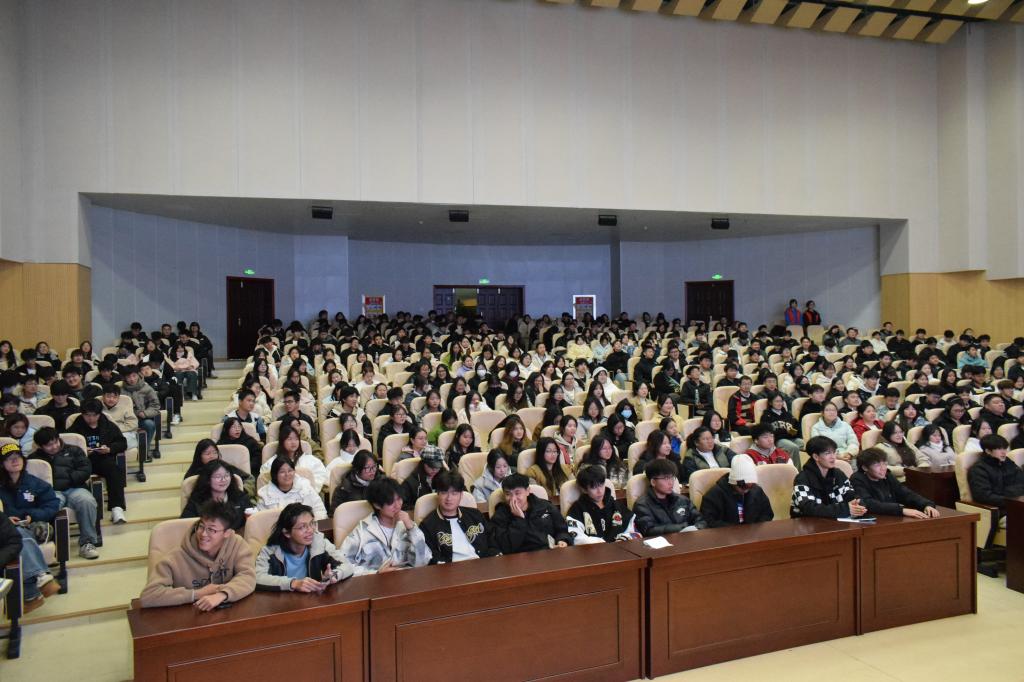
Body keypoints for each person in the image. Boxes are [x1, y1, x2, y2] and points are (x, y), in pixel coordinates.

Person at [140, 500, 256, 609]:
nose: (203, 534)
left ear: (227, 533)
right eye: (201, 527)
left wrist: (223, 594)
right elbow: (148, 596)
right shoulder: (175, 558)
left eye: (211, 530)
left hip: (227, 616)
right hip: (188, 617)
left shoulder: (237, 545)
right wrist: (196, 594)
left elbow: (248, 576)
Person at [30, 427, 100, 559]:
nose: (54, 446)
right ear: (40, 446)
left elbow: (85, 469)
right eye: (49, 445)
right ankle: (51, 543)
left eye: (55, 442)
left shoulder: (74, 450)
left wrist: (69, 479)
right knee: (50, 507)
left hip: (75, 487)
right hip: (52, 492)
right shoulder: (35, 459)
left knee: (87, 501)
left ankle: (87, 542)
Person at [255, 503, 353, 592]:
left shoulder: (319, 542)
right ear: (287, 533)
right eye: (302, 527)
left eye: (312, 523)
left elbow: (347, 566)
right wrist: (293, 583)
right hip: (281, 601)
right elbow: (257, 578)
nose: (310, 530)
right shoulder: (270, 551)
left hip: (311, 599)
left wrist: (334, 575)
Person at [340, 478, 432, 574]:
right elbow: (342, 565)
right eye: (390, 502)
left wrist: (412, 529)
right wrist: (376, 574)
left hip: (407, 580)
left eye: (399, 499)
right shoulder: (362, 532)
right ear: (377, 505)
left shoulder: (407, 525)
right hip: (375, 582)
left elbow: (424, 561)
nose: (397, 505)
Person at [419, 471, 499, 563]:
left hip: (483, 565)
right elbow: (430, 556)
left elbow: (492, 539)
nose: (449, 498)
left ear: (461, 495)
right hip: (451, 569)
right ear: (438, 494)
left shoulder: (475, 515)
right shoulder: (427, 525)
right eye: (444, 493)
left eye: (454, 493)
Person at [69, 399, 128, 523]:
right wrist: (82, 450)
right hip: (82, 462)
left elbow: (122, 442)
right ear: (82, 414)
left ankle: (116, 508)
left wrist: (109, 449)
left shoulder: (108, 425)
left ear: (99, 414)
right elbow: (66, 446)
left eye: (94, 415)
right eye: (87, 415)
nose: (91, 418)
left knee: (115, 470)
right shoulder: (75, 426)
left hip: (102, 459)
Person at [490, 473, 573, 553]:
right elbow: (505, 547)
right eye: (508, 494)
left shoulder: (545, 507)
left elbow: (562, 529)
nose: (513, 499)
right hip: (519, 558)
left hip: (550, 553)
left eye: (517, 493)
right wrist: (519, 520)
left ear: (527, 491)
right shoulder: (500, 515)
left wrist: (563, 540)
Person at [0, 505, 60, 613]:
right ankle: (41, 577)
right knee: (20, 535)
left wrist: (30, 515)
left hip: (33, 525)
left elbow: (51, 505)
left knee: (20, 536)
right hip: (15, 527)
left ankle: (32, 595)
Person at [791, 436, 867, 519]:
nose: (833, 457)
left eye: (834, 452)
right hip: (806, 522)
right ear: (816, 457)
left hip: (834, 521)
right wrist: (845, 509)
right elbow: (808, 508)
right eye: (827, 453)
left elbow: (851, 495)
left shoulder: (838, 474)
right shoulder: (802, 478)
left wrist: (858, 505)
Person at [850, 448, 940, 518]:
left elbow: (905, 493)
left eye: (884, 463)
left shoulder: (887, 475)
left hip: (892, 517)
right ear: (865, 468)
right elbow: (868, 503)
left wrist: (926, 504)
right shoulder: (857, 479)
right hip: (874, 520)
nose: (883, 468)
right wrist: (901, 510)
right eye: (877, 465)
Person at [565, 464, 638, 543]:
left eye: (601, 485)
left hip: (618, 547)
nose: (599, 491)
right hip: (592, 549)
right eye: (593, 487)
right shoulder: (577, 509)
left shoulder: (615, 504)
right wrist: (601, 543)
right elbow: (576, 536)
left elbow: (632, 530)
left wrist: (622, 539)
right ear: (584, 490)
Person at [633, 459, 706, 536]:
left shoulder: (683, 500)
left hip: (688, 539)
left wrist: (697, 527)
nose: (671, 482)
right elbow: (649, 530)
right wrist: (681, 528)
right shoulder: (642, 505)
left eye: (672, 477)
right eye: (666, 478)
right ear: (653, 482)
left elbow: (701, 520)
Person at [699, 454, 775, 527]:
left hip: (753, 532)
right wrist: (734, 530)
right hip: (726, 533)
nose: (746, 490)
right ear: (733, 482)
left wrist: (755, 528)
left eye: (750, 486)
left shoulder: (756, 490)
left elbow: (767, 514)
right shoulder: (715, 494)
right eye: (743, 486)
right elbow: (708, 520)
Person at [967, 434, 1024, 527]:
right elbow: (983, 496)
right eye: (999, 449)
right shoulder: (978, 469)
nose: (1004, 452)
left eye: (1005, 448)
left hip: (1018, 505)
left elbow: (1021, 480)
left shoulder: (1008, 462)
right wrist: (1013, 500)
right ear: (988, 451)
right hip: (1001, 511)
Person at [181, 461, 249, 530]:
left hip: (236, 535)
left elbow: (250, 518)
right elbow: (186, 525)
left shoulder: (240, 496)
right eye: (218, 476)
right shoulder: (197, 500)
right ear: (207, 479)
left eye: (227, 475)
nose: (223, 480)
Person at [259, 425, 327, 491]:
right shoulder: (272, 462)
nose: (293, 442)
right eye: (289, 439)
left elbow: (320, 477)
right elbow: (264, 480)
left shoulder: (310, 460)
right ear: (282, 441)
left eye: (296, 439)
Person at [257, 457, 327, 520]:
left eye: (290, 470)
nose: (287, 474)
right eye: (282, 472)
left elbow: (319, 510)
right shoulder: (265, 494)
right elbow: (262, 521)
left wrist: (312, 525)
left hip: (307, 528)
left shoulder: (305, 486)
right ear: (275, 475)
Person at [122, 366, 160, 455]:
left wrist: (145, 413)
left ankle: (144, 450)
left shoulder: (147, 388)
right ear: (124, 378)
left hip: (142, 418)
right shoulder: (121, 391)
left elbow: (155, 405)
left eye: (134, 376)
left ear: (139, 375)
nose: (132, 379)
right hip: (126, 420)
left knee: (149, 424)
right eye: (128, 377)